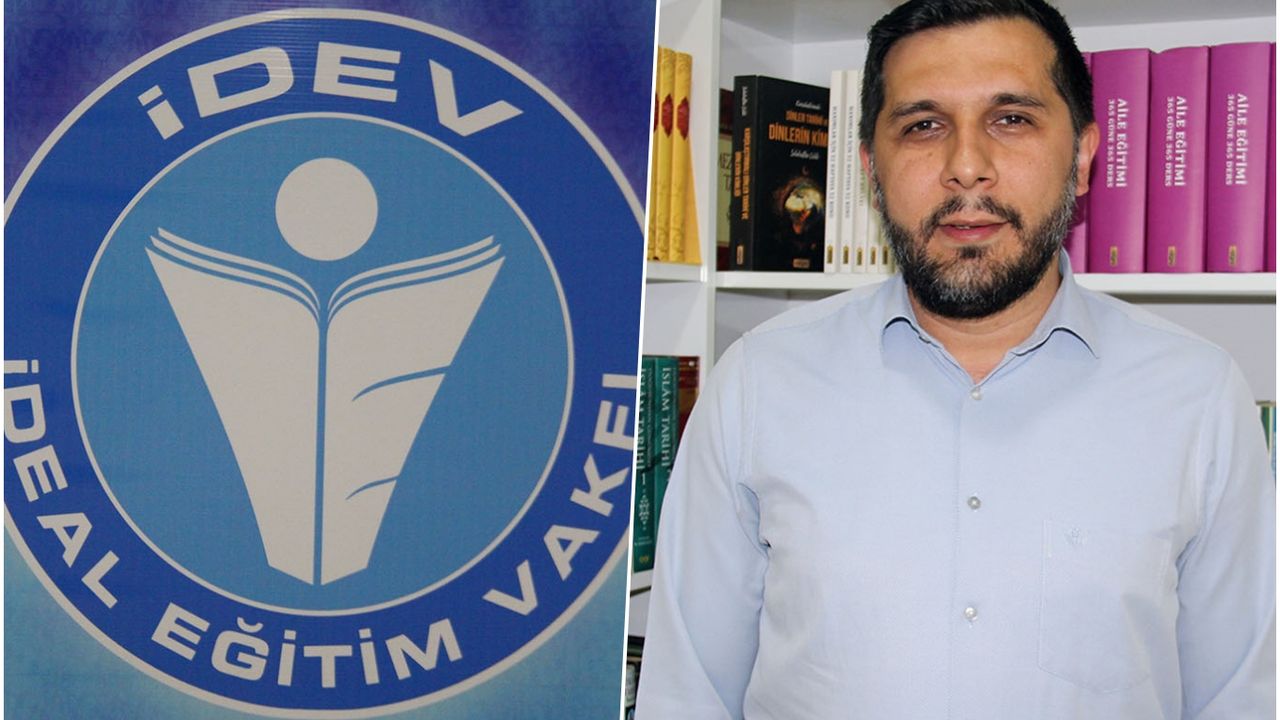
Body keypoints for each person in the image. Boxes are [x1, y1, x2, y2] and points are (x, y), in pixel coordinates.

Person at [633, 0, 1276, 717]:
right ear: (871, 168)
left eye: (1012, 119)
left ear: (1083, 157)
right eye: (923, 126)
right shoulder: (757, 383)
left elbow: (1240, 701)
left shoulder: (1197, 396)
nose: (967, 167)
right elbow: (686, 697)